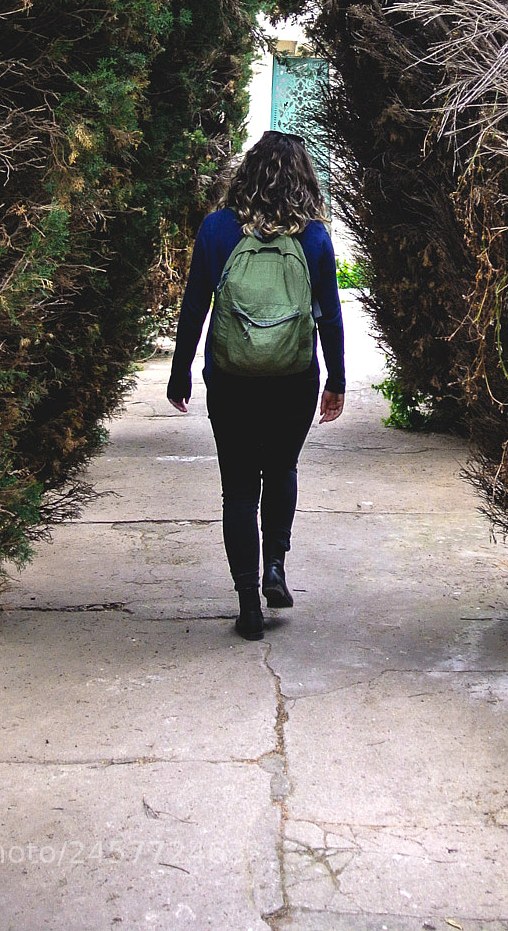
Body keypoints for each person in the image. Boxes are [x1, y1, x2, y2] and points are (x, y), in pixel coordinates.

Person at [167, 130, 345, 640]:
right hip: (293, 378)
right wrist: (335, 378)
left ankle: (248, 603)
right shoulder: (313, 237)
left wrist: (180, 373)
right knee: (282, 467)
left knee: (239, 490)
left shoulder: (218, 230)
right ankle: (275, 568)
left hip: (232, 378)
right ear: (304, 178)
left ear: (246, 173)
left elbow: (195, 307)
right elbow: (329, 317)